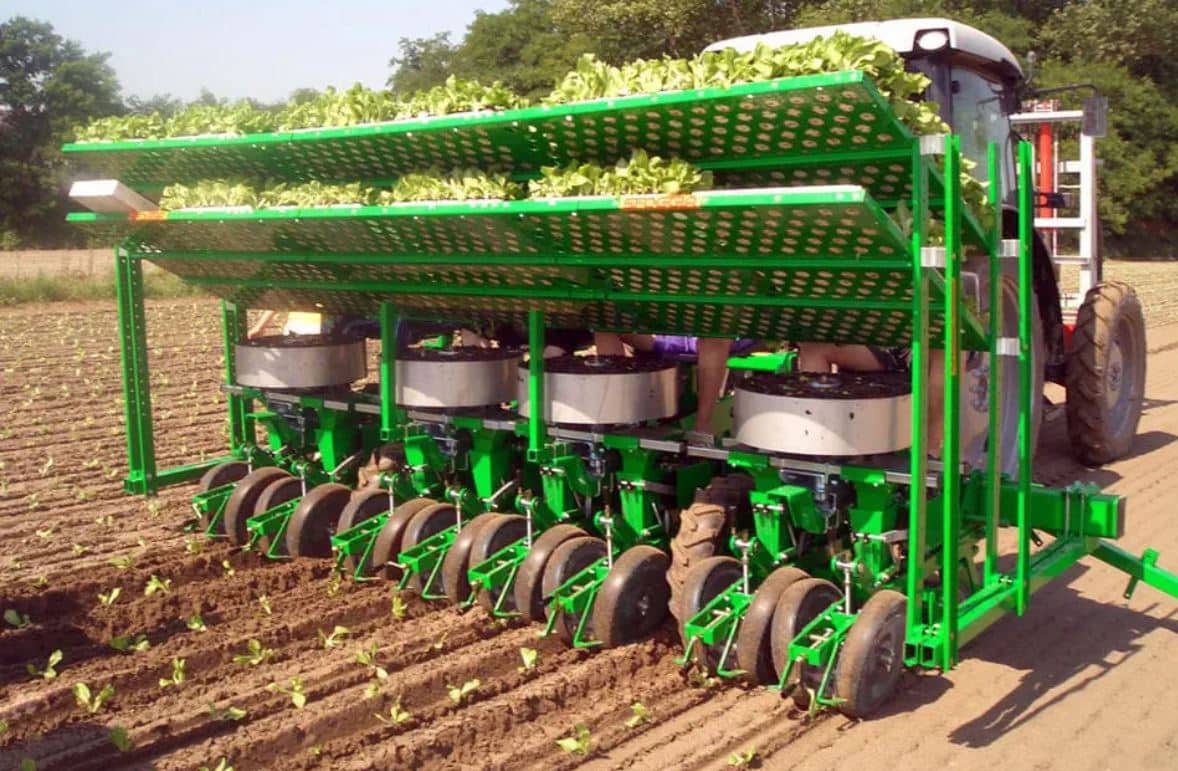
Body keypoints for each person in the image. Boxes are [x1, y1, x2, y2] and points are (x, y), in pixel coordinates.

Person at [797, 342, 943, 456]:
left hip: (931, 341)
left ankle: (930, 453)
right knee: (814, 349)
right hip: (884, 344)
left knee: (948, 342)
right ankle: (818, 448)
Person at [595, 333, 734, 440]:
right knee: (606, 327)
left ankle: (703, 426)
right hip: (666, 333)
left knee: (715, 337)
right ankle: (620, 418)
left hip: (714, 333)